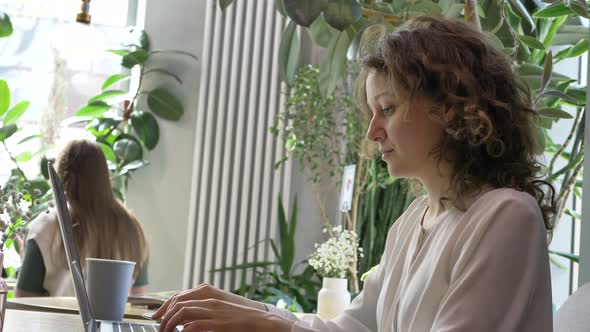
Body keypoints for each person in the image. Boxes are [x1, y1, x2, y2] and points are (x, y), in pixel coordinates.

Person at [154, 15, 556, 332]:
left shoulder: (506, 216)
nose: (372, 131)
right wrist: (243, 310)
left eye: (389, 108)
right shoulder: (410, 224)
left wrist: (271, 323)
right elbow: (354, 327)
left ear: (448, 106)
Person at [16, 139, 149, 297]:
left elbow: (23, 300)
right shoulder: (132, 228)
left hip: (55, 322)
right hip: (114, 322)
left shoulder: (44, 228)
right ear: (105, 175)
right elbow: (138, 298)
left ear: (61, 174)